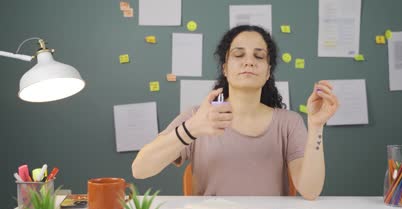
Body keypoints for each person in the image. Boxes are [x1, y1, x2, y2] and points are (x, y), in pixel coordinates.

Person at [132, 25, 339, 200]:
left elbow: (310, 191)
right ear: (225, 68)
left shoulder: (289, 122)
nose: (248, 61)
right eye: (239, 55)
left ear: (268, 72)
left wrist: (316, 125)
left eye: (259, 56)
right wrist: (192, 128)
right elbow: (140, 169)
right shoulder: (198, 116)